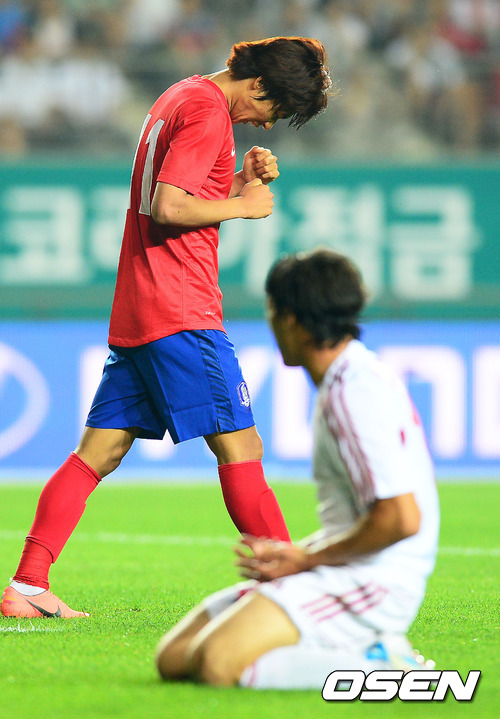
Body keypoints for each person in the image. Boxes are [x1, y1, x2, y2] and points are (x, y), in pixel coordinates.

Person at [0, 37, 332, 619]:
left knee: (98, 452)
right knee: (242, 447)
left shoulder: (182, 94)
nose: (268, 124)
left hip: (141, 306)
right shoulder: (209, 112)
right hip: (181, 309)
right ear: (257, 84)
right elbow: (170, 207)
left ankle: (27, 587)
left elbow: (180, 193)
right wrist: (244, 206)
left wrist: (238, 181)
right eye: (273, 109)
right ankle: (291, 590)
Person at [154, 248, 440, 689]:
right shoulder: (352, 378)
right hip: (343, 566)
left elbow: (401, 518)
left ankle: (382, 664)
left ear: (290, 319)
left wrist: (306, 559)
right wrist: (301, 556)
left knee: (217, 664)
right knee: (174, 658)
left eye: (272, 312)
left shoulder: (353, 394)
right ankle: (340, 650)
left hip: (375, 582)